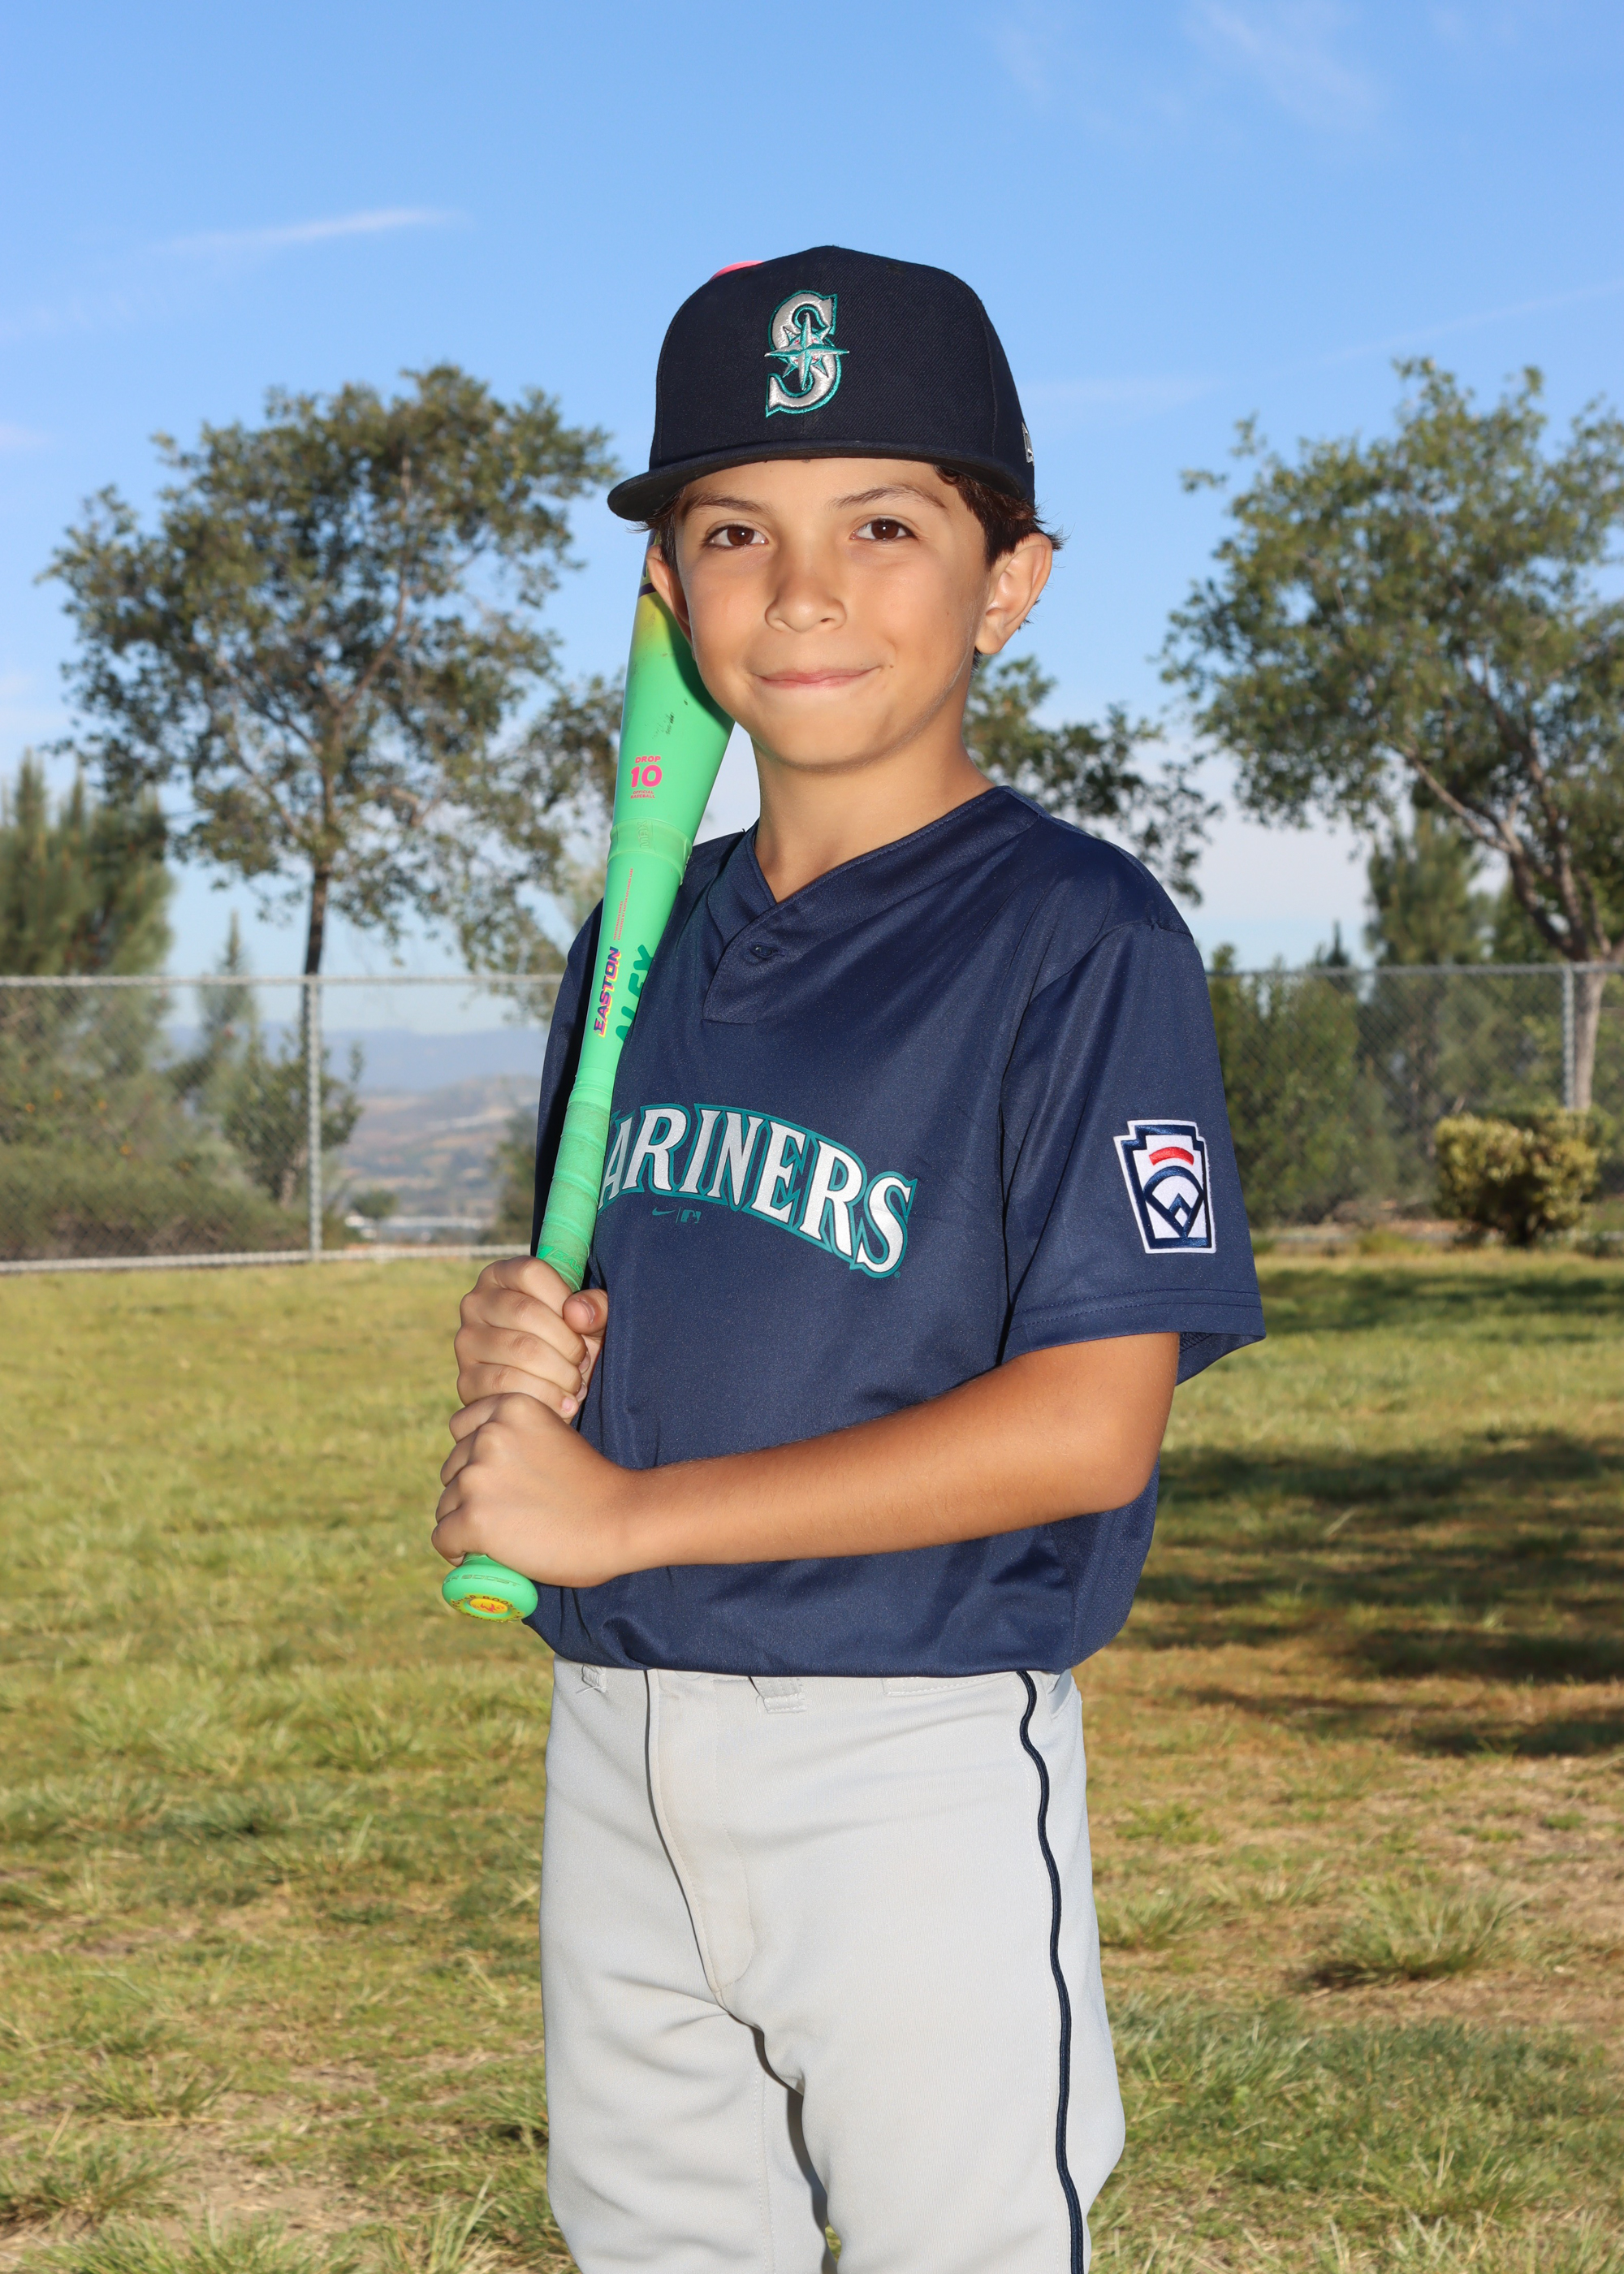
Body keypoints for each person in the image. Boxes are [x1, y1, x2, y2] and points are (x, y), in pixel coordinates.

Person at [434, 246, 1264, 2274]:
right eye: (736, 531)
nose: (803, 590)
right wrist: (531, 1341)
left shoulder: (1077, 934)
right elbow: (656, 1290)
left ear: (1008, 581)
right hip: (616, 1732)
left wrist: (622, 1513)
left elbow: (1088, 1423)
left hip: (908, 1752)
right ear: (667, 592)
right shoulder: (642, 932)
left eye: (883, 525)